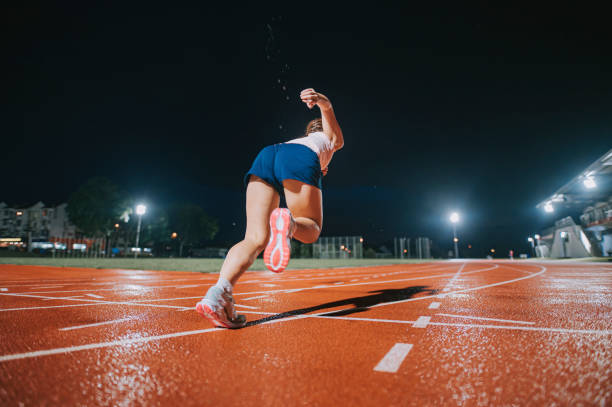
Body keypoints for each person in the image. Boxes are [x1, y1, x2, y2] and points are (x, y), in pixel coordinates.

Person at [196, 88, 344, 328]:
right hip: (299, 159)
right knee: (312, 228)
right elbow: (333, 133)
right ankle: (290, 223)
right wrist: (324, 103)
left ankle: (218, 294)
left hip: (267, 155)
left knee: (254, 238)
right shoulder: (330, 140)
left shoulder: (301, 141)